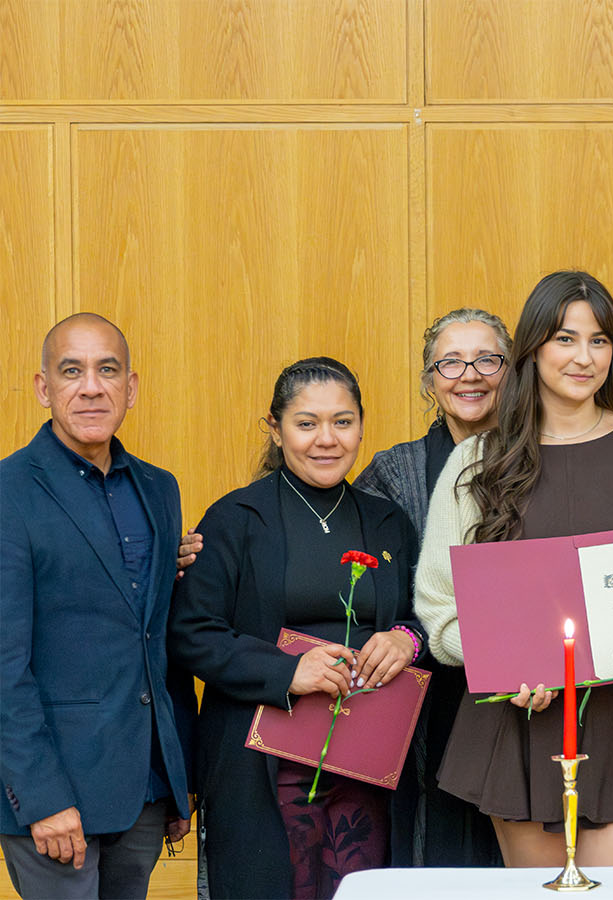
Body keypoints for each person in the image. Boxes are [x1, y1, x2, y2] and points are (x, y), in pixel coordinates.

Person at [413, 270, 613, 868]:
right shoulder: (476, 460)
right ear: (532, 348)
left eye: (600, 340)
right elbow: (439, 603)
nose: (585, 357)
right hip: (523, 721)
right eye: (565, 338)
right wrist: (500, 666)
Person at [169, 358, 425, 899]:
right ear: (276, 427)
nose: (326, 440)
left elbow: (419, 613)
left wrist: (406, 638)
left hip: (365, 763)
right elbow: (192, 632)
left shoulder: (387, 522)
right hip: (261, 764)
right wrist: (288, 671)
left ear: (361, 425)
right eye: (306, 423)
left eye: (342, 421)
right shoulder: (234, 518)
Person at [1, 313, 195, 900]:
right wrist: (41, 796)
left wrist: (175, 776)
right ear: (43, 388)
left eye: (107, 370)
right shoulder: (8, 493)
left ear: (130, 388)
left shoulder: (160, 488)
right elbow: (3, 666)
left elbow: (156, 638)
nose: (92, 386)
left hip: (143, 786)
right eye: (72, 371)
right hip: (54, 794)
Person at [353, 308, 510, 868]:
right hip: (430, 691)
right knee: (434, 849)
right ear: (429, 380)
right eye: (451, 362)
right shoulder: (395, 472)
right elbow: (352, 567)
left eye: (486, 359)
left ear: (511, 370)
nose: (470, 375)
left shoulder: (545, 457)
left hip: (529, 688)